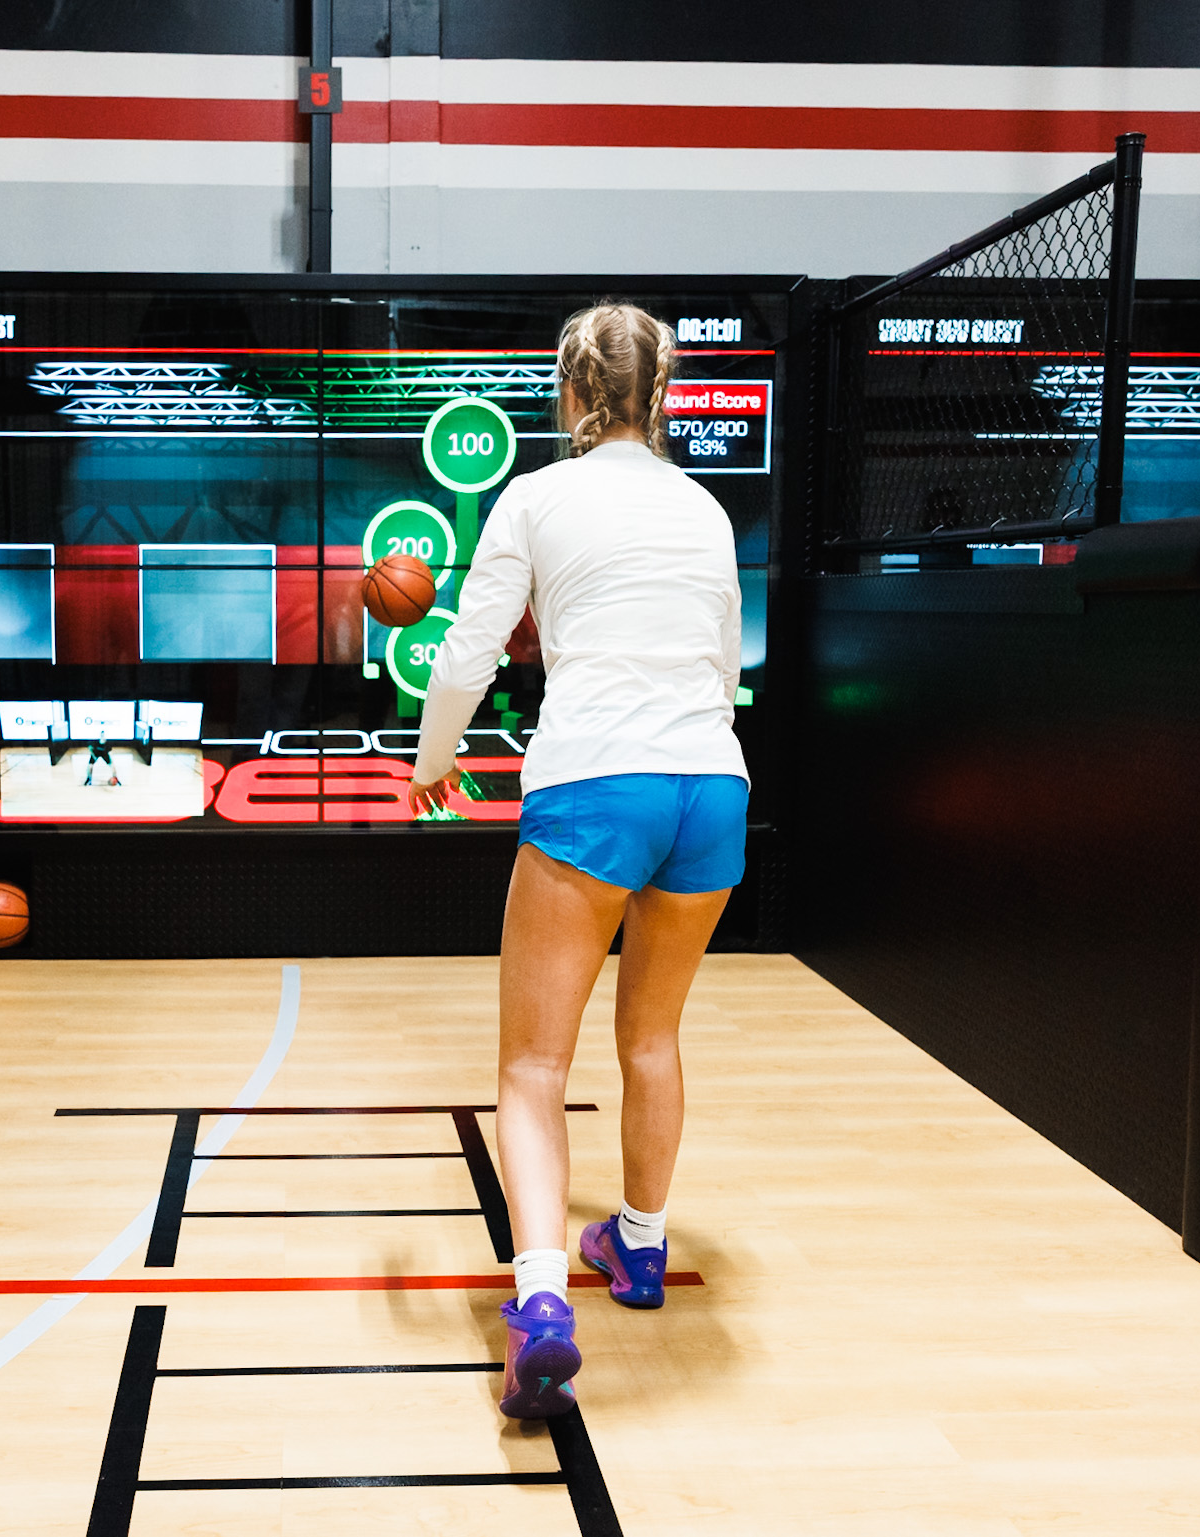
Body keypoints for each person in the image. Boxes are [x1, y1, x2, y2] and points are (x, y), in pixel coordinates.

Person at [407, 302, 747, 1419]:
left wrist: (432, 758)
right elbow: (719, 652)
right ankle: (637, 1249)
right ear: (662, 392)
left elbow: (467, 649)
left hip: (598, 779)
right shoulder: (702, 507)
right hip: (712, 786)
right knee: (651, 1035)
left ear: (567, 394)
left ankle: (543, 1305)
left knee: (530, 1071)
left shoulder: (536, 496)